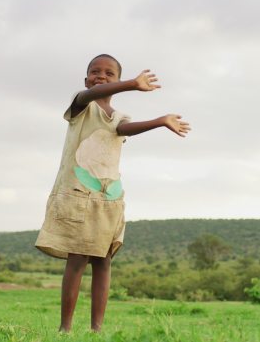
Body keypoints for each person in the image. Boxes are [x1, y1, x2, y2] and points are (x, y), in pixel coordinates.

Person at [35, 54, 191, 332]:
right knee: (77, 258)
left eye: (109, 74)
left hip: (109, 198)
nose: (101, 77)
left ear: (116, 80)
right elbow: (94, 94)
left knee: (103, 260)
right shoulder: (81, 104)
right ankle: (65, 329)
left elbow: (123, 129)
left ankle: (97, 329)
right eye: (95, 72)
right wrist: (132, 84)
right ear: (86, 80)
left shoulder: (118, 117)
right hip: (78, 194)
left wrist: (160, 120)